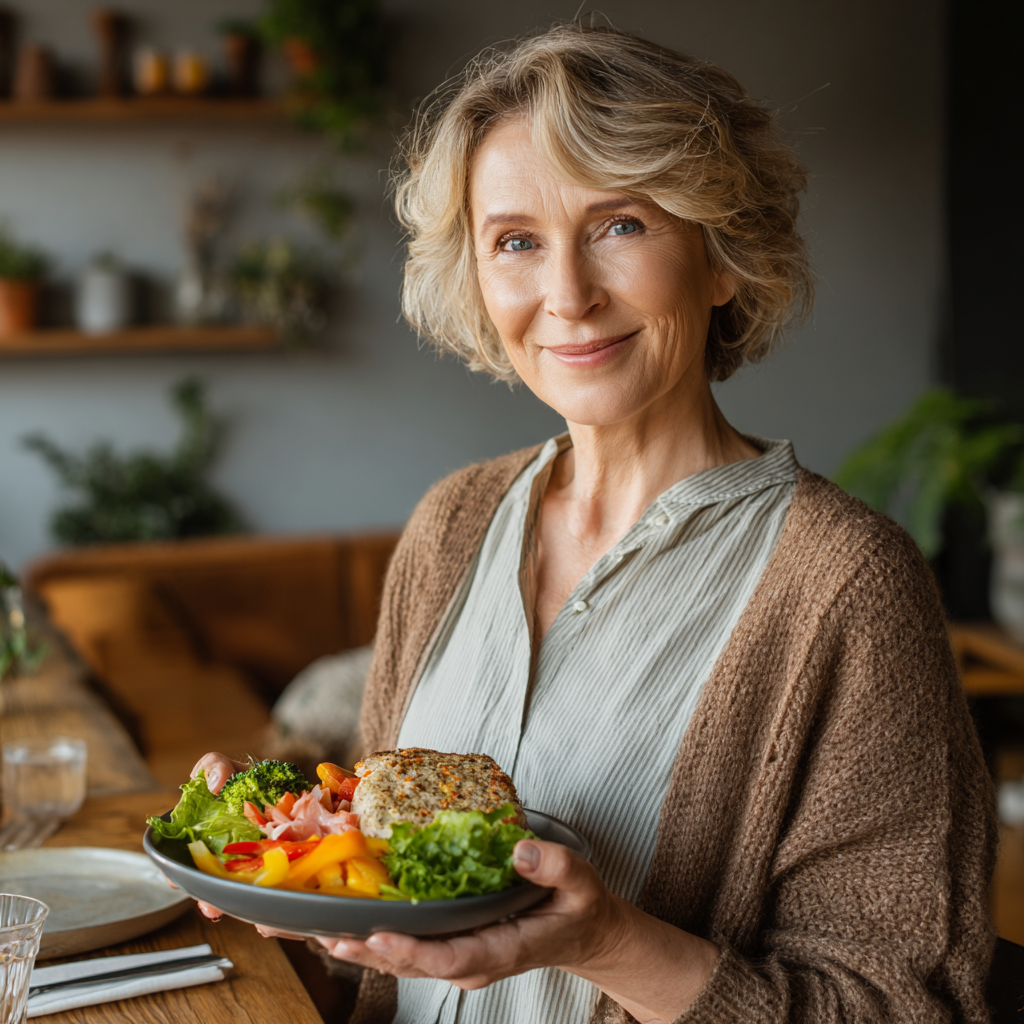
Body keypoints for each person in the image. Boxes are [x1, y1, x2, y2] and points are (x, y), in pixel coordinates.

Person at [193, 23, 997, 1024]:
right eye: (516, 241)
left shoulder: (846, 584)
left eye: (621, 224)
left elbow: (905, 1005)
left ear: (721, 256)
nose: (566, 295)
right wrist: (282, 856)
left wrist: (605, 940)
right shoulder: (451, 524)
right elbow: (381, 948)